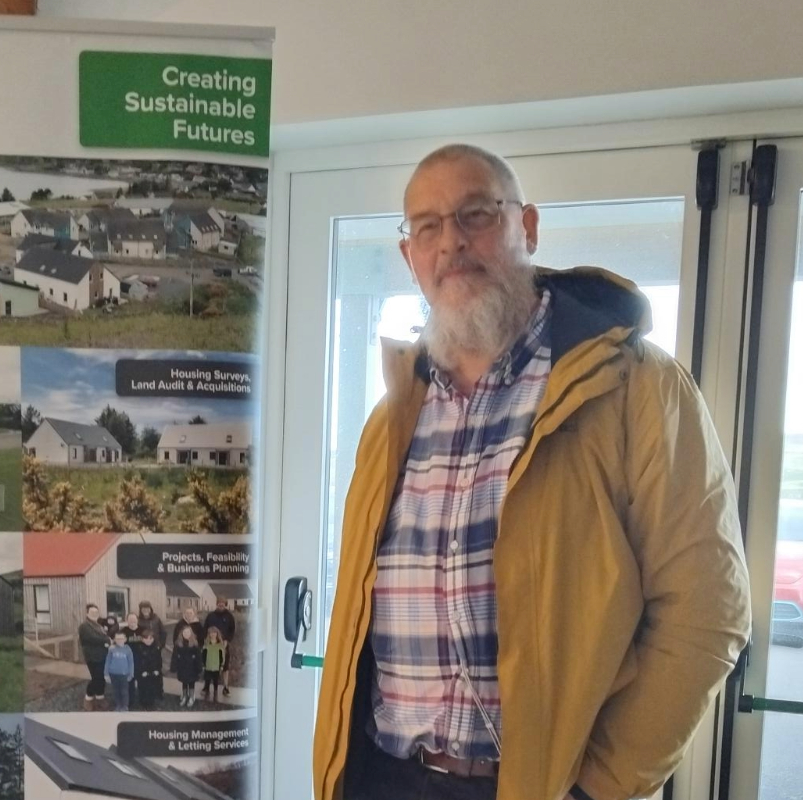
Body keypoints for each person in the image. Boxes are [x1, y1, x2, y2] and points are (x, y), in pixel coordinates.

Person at [313, 144, 751, 800]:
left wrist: (599, 784)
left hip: (541, 787)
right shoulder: (393, 417)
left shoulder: (635, 388)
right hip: (387, 777)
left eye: (476, 214)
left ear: (529, 227)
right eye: (427, 227)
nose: (452, 242)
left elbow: (708, 610)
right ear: (410, 258)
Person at [77, 604, 111, 712]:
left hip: (102, 655)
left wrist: (106, 639)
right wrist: (107, 640)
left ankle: (100, 697)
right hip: (92, 657)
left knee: (101, 678)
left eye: (96, 612)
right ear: (87, 613)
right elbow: (93, 638)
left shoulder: (98, 625)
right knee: (96, 678)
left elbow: (104, 635)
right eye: (92, 612)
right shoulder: (84, 626)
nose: (95, 614)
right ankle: (88, 699)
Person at [204, 597, 237, 696]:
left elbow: (232, 630)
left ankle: (226, 688)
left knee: (225, 667)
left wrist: (227, 640)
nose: (221, 604)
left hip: (223, 646)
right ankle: (206, 687)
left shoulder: (229, 616)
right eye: (219, 602)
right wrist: (207, 641)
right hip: (211, 646)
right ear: (216, 603)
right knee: (209, 666)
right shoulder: (210, 616)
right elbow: (205, 628)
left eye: (223, 603)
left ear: (225, 604)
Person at [171, 624, 203, 708]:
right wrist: (173, 666)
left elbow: (198, 657)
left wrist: (199, 667)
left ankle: (192, 696)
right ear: (181, 633)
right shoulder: (178, 644)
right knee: (184, 682)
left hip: (192, 667)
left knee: (191, 682)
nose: (186, 634)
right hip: (182, 666)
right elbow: (174, 655)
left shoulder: (195, 644)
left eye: (188, 632)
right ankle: (184, 696)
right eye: (184, 632)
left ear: (191, 633)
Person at [103, 630, 135, 712]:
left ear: (125, 639)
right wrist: (106, 674)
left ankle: (125, 706)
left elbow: (131, 662)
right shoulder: (111, 649)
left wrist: (131, 673)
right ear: (114, 640)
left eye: (121, 639)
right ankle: (118, 705)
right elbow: (107, 661)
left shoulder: (128, 649)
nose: (119, 640)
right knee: (116, 691)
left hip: (124, 674)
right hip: (113, 674)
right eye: (117, 639)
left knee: (124, 691)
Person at [133, 629, 164, 710]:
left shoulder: (156, 648)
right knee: (143, 688)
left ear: (153, 639)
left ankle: (151, 702)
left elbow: (159, 660)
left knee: (152, 687)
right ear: (142, 639)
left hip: (154, 672)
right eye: (146, 638)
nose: (148, 641)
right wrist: (142, 671)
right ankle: (143, 703)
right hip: (143, 672)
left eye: (151, 638)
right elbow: (137, 661)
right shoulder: (139, 648)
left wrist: (157, 670)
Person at [201, 626, 227, 702]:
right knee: (207, 679)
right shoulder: (206, 644)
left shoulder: (220, 645)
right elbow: (203, 655)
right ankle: (206, 692)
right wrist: (203, 664)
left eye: (214, 633)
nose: (213, 634)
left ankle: (215, 694)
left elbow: (222, 656)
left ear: (217, 634)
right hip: (208, 666)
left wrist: (222, 665)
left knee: (215, 680)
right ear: (209, 634)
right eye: (211, 633)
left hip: (216, 666)